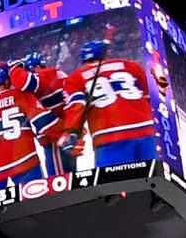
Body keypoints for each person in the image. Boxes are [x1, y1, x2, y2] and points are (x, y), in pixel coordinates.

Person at [58, 40, 164, 168]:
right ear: (106, 55)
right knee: (152, 175)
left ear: (83, 60)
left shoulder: (76, 78)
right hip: (146, 131)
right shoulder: (130, 66)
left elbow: (76, 106)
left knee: (116, 180)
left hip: (109, 135)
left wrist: (71, 132)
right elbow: (150, 96)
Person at [0, 63, 56, 195]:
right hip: (24, 161)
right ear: (7, 81)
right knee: (38, 202)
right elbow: (45, 122)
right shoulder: (20, 95)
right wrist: (66, 131)